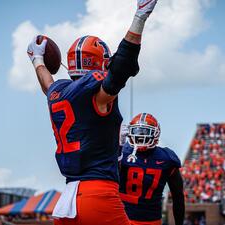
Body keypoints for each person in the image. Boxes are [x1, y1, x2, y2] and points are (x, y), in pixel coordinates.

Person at [26, 1, 158, 224]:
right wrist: (140, 18)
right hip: (98, 194)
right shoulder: (96, 92)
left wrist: (37, 59)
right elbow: (119, 72)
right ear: (99, 62)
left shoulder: (58, 91)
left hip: (68, 199)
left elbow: (47, 82)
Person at [119, 113, 185, 225]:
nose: (140, 136)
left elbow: (178, 195)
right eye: (136, 131)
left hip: (151, 220)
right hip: (121, 217)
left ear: (156, 133)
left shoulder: (167, 158)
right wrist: (116, 147)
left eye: (144, 132)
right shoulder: (121, 152)